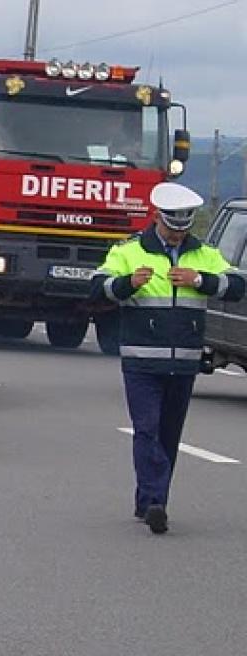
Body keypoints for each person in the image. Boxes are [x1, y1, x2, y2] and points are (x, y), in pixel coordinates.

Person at [91, 183, 245, 534]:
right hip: (141, 361)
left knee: (168, 434)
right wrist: (129, 282)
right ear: (157, 219)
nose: (177, 236)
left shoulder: (204, 254)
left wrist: (201, 280)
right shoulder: (129, 251)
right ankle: (156, 502)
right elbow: (97, 287)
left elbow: (237, 287)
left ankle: (149, 500)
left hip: (185, 361)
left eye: (183, 230)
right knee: (146, 429)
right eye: (172, 229)